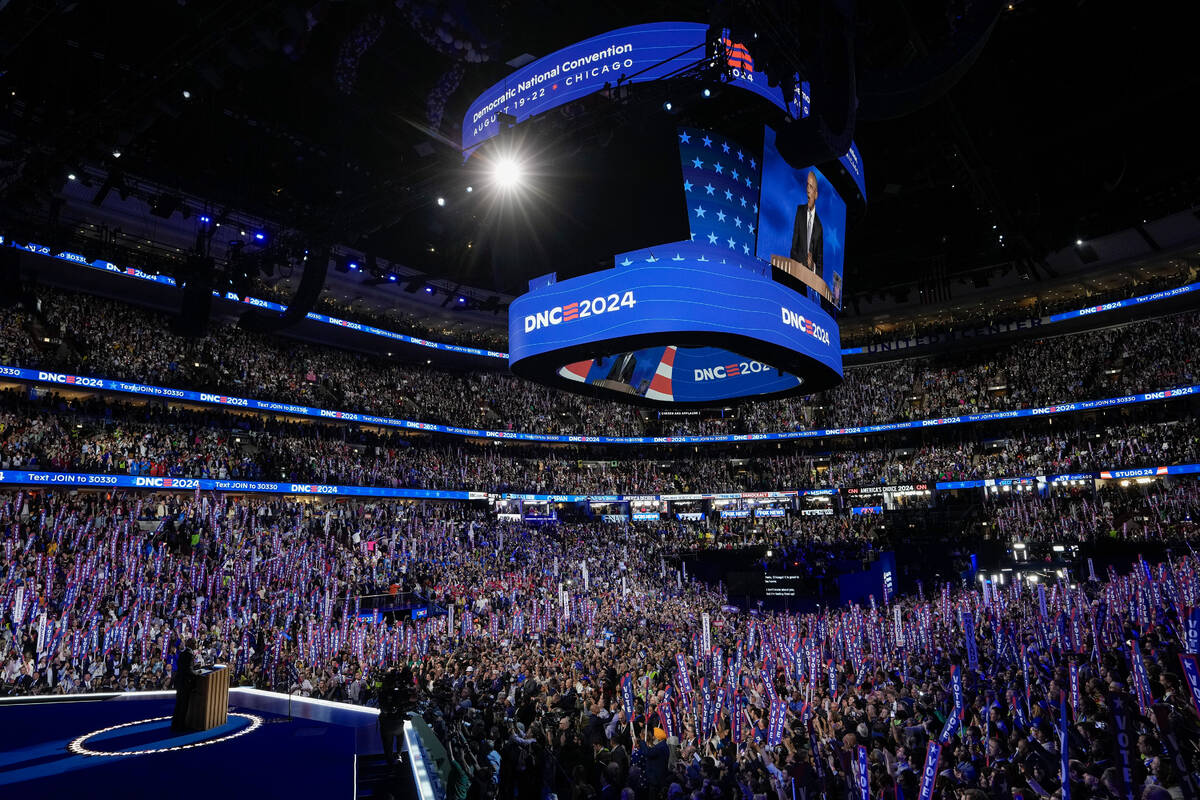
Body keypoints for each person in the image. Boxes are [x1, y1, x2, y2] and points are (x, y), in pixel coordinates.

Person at [789, 170, 824, 278]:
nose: (808, 190)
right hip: (795, 272)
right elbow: (794, 246)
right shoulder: (799, 211)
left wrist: (812, 266)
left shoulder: (819, 227)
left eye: (811, 187)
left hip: (809, 279)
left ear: (816, 194)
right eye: (807, 186)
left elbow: (819, 265)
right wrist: (796, 263)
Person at [379, 664, 416, 765]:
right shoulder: (397, 692)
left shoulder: (386, 691)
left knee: (388, 745)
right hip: (394, 722)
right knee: (396, 737)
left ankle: (392, 760)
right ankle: (397, 756)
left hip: (390, 723)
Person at [171, 638, 198, 731]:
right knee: (184, 705)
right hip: (185, 683)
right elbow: (189, 670)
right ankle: (181, 726)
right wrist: (197, 673)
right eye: (195, 643)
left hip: (179, 681)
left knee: (178, 704)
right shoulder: (190, 654)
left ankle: (175, 724)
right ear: (193, 644)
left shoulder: (182, 653)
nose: (196, 645)